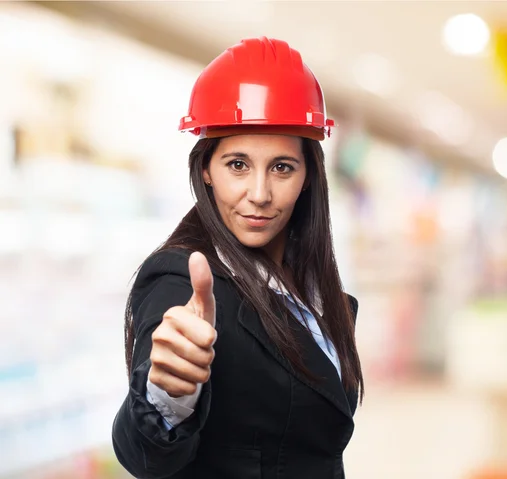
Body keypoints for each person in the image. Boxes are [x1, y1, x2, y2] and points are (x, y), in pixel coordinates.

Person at [112, 36, 364, 479]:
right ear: (206, 169)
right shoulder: (182, 279)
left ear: (308, 176)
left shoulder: (310, 290)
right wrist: (166, 395)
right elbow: (143, 454)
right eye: (238, 165)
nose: (260, 195)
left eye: (282, 167)